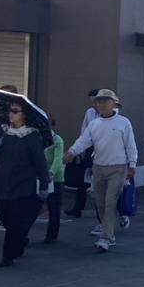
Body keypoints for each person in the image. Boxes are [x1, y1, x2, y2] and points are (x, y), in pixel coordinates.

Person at [65, 89, 136, 253]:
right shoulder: (94, 124)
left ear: (114, 104)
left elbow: (130, 145)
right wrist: (72, 151)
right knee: (100, 203)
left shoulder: (123, 122)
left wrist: (132, 165)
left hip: (118, 168)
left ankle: (106, 237)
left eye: (105, 101)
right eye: (99, 101)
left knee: (110, 202)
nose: (101, 104)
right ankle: (108, 233)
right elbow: (83, 141)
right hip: (98, 167)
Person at [0, 100, 49, 267]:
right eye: (10, 111)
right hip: (3, 183)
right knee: (4, 216)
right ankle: (20, 240)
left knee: (14, 220)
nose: (11, 114)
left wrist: (44, 186)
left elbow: (40, 163)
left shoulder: (32, 136)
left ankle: (7, 256)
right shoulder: (5, 133)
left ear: (24, 115)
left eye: (15, 111)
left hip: (22, 184)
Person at [64, 89, 100, 217]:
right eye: (92, 102)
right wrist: (78, 150)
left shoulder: (108, 114)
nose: (94, 105)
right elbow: (84, 132)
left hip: (102, 149)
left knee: (101, 182)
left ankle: (112, 211)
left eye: (96, 102)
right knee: (82, 180)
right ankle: (78, 208)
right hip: (89, 147)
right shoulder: (89, 113)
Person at [44, 118, 66, 243]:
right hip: (41, 177)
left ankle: (52, 235)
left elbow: (58, 159)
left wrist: (51, 172)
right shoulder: (39, 140)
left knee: (54, 207)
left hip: (56, 178)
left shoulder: (57, 140)